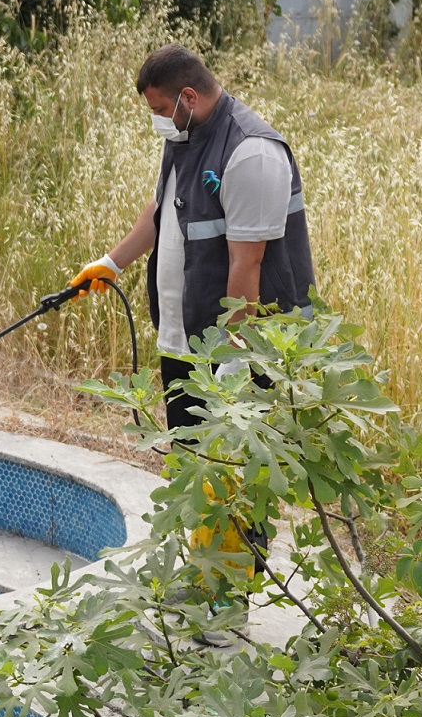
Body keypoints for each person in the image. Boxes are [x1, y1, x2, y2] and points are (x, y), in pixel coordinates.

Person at [68, 45, 315, 429]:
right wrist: (111, 264)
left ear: (188, 97)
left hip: (240, 352)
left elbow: (246, 261)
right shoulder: (185, 133)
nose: (156, 121)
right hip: (186, 341)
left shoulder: (251, 152)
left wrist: (235, 356)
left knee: (237, 476)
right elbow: (161, 211)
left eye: (159, 110)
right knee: (187, 470)